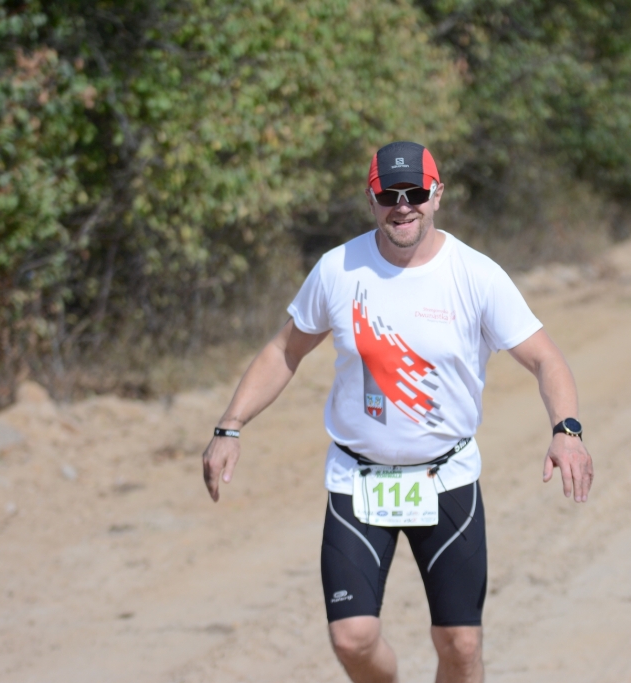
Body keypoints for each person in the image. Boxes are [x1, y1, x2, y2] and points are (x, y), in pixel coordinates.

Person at [202, 141, 594, 683]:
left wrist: (567, 430)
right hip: (357, 479)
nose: (403, 205)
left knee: (460, 646)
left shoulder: (475, 274)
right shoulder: (338, 269)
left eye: (415, 193)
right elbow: (284, 351)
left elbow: (546, 359)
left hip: (447, 477)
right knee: (352, 639)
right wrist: (230, 426)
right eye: (389, 194)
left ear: (437, 195)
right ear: (371, 200)